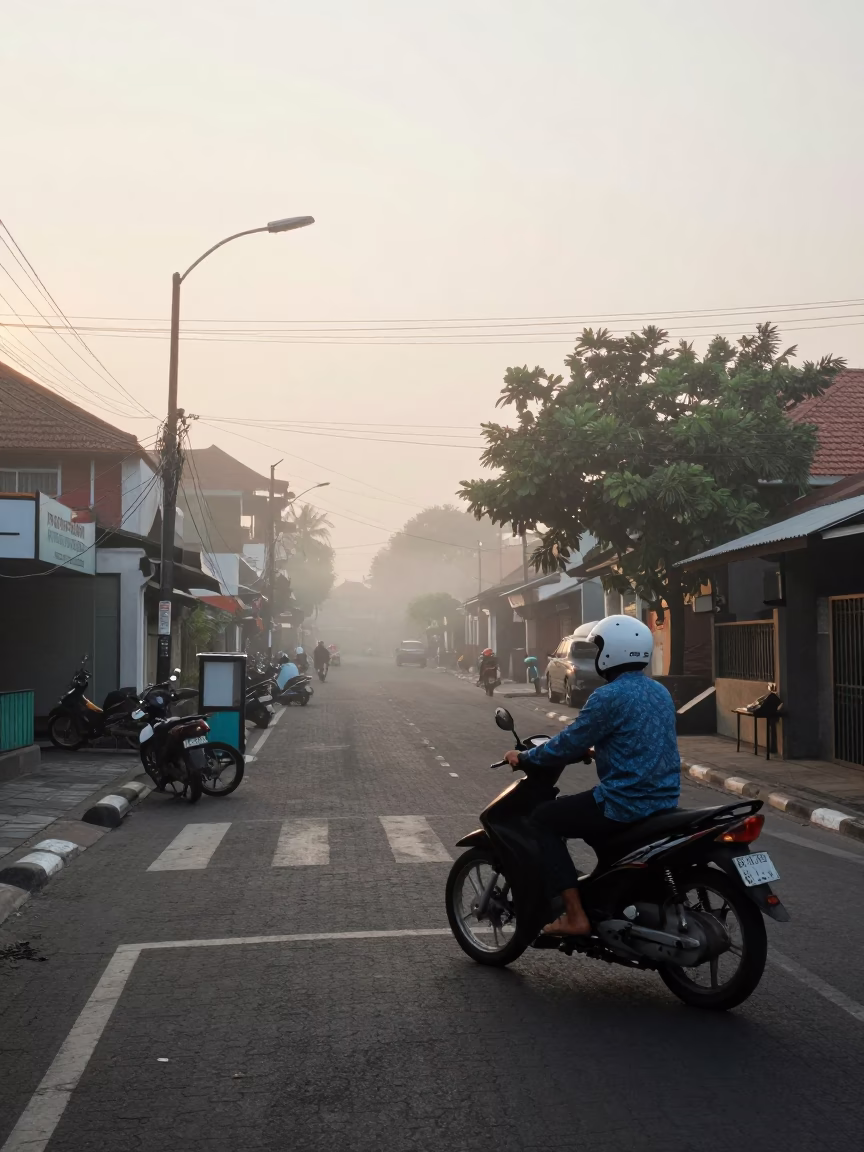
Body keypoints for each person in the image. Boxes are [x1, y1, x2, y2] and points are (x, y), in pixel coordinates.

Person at [503, 615, 679, 938]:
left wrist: (526, 757)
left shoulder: (607, 697)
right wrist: (598, 750)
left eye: (598, 648)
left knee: (543, 818)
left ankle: (575, 916)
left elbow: (567, 743)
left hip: (624, 803)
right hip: (664, 800)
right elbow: (642, 740)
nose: (596, 655)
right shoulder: (660, 692)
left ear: (612, 652)